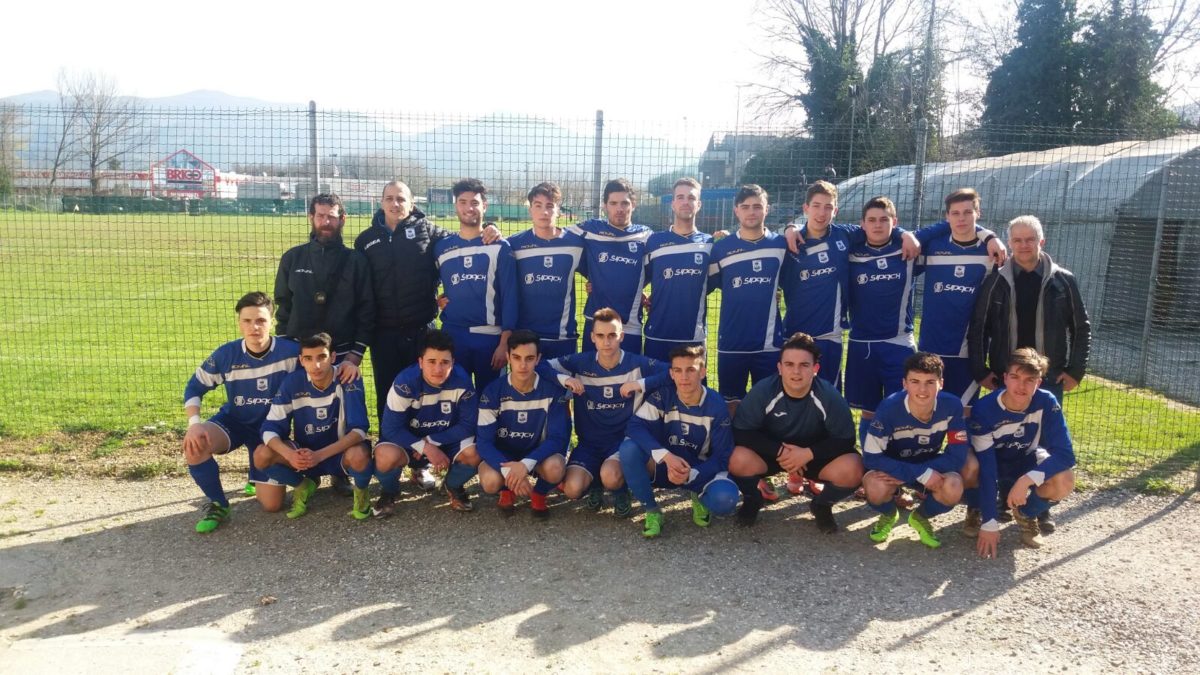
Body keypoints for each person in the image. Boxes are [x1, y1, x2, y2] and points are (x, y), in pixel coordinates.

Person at [354, 181, 502, 492]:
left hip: (422, 330)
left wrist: (490, 228)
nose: (395, 204)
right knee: (389, 397)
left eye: (401, 198)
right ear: (381, 202)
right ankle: (392, 465)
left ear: (412, 203)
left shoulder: (429, 232)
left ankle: (422, 465)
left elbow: (464, 238)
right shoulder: (365, 240)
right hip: (383, 334)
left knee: (429, 398)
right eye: (389, 198)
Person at [968, 215, 1090, 532]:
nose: (1024, 245)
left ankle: (1039, 507)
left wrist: (1075, 370)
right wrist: (981, 370)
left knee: (1045, 443)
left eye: (1030, 239)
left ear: (1041, 241)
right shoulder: (995, 281)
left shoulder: (1063, 280)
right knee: (1002, 441)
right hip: (1005, 376)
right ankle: (999, 501)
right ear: (1010, 243)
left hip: (1048, 376)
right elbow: (978, 328)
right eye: (1018, 240)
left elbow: (1081, 328)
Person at [274, 193, 374, 496]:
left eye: (331, 216)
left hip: (341, 353)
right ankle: (300, 468)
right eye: (320, 215)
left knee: (340, 415)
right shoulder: (293, 258)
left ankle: (339, 471)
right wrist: (286, 348)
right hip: (300, 354)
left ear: (342, 219)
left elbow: (367, 310)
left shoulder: (356, 261)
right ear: (311, 217)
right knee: (299, 411)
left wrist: (355, 355)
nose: (326, 222)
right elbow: (283, 307)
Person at [181, 292, 301, 533]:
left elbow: (320, 370)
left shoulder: (291, 352)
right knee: (195, 444)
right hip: (234, 422)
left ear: (271, 322)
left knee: (272, 506)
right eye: (247, 321)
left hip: (271, 432)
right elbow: (194, 387)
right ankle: (218, 504)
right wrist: (194, 424)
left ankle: (262, 474)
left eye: (261, 320)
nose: (254, 327)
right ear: (239, 323)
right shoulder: (226, 354)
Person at [539, 307, 669, 516]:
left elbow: (671, 372)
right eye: (600, 336)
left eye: (612, 335)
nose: (606, 342)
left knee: (611, 476)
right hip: (589, 444)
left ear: (621, 336)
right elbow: (540, 366)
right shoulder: (580, 363)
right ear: (592, 337)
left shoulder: (637, 364)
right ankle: (595, 484)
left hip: (621, 442)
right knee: (572, 489)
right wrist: (565, 379)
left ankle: (620, 490)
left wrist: (640, 384)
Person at [727, 333, 861, 532]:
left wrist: (808, 453)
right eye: (789, 364)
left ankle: (822, 505)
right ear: (780, 368)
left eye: (804, 365)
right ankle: (752, 499)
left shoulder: (828, 396)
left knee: (854, 467)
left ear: (815, 369)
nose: (796, 372)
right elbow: (741, 431)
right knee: (735, 458)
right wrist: (781, 451)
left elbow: (846, 439)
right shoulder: (764, 390)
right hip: (772, 455)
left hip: (812, 458)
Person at [619, 345, 740, 538]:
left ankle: (698, 494)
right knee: (628, 449)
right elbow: (634, 426)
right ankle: (652, 510)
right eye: (678, 370)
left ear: (702, 372)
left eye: (690, 370)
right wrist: (666, 456)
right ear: (671, 374)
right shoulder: (662, 396)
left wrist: (691, 474)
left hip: (699, 468)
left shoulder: (716, 405)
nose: (684, 377)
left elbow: (722, 456)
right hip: (666, 465)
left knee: (725, 499)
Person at [964, 348, 1076, 554]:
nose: (1021, 386)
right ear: (1005, 378)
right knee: (969, 465)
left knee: (1065, 479)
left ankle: (1025, 514)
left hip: (1025, 459)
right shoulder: (984, 409)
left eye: (1029, 380)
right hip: (991, 463)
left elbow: (1065, 455)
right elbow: (987, 469)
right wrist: (990, 522)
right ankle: (977, 508)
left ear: (1038, 383)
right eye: (1015, 377)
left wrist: (1026, 480)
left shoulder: (1046, 401)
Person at [256, 332, 375, 520]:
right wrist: (290, 455)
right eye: (309, 359)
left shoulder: (348, 378)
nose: (316, 365)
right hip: (305, 455)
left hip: (337, 454)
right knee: (261, 455)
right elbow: (269, 428)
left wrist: (319, 455)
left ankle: (361, 494)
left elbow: (359, 431)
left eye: (322, 357)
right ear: (301, 360)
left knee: (359, 454)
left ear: (333, 357)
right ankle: (302, 485)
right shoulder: (292, 382)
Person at [861, 352, 968, 549]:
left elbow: (957, 456)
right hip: (894, 469)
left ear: (941, 383)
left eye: (930, 382)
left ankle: (920, 517)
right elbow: (871, 457)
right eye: (915, 381)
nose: (922, 389)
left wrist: (922, 472)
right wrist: (918, 473)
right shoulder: (889, 407)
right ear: (905, 384)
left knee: (953, 486)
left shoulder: (952, 405)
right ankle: (889, 514)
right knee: (874, 486)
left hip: (929, 465)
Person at [374, 329, 482, 515]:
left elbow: (468, 425)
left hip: (445, 439)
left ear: (453, 362)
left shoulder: (463, 381)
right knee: (385, 456)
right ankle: (390, 491)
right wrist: (425, 447)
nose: (438, 369)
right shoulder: (404, 383)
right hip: (410, 441)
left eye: (445, 362)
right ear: (420, 362)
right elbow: (390, 428)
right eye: (431, 361)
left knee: (476, 452)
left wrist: (432, 441)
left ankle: (452, 485)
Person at [916, 189, 1004, 407]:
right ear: (947, 217)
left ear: (978, 213)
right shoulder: (933, 247)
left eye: (967, 212)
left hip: (968, 351)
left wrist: (988, 237)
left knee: (963, 413)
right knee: (928, 411)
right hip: (930, 347)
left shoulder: (991, 253)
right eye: (955, 213)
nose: (961, 218)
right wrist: (989, 234)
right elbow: (908, 240)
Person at [844, 196, 919, 445]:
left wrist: (987, 236)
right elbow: (824, 228)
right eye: (872, 220)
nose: (878, 225)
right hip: (862, 344)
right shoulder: (851, 251)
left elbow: (944, 229)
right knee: (869, 411)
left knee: (903, 407)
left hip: (898, 343)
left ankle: (901, 458)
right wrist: (791, 228)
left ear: (894, 222)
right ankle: (870, 460)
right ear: (862, 224)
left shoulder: (907, 249)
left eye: (884, 220)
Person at [708, 185, 787, 414]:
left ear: (767, 209)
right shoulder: (721, 249)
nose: (751, 212)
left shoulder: (781, 245)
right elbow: (705, 286)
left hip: (769, 342)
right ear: (736, 211)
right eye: (745, 207)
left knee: (771, 404)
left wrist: (792, 228)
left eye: (757, 206)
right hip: (732, 341)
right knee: (731, 404)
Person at [475, 330, 571, 519]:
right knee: (489, 481)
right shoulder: (493, 391)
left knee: (556, 468)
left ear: (538, 359)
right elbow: (484, 443)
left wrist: (525, 465)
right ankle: (507, 489)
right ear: (508, 357)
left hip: (537, 455)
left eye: (529, 358)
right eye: (517, 357)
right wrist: (510, 472)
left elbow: (557, 438)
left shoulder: (553, 390)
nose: (522, 365)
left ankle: (539, 493)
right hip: (505, 456)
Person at [434, 178, 518, 390]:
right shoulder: (442, 247)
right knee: (454, 399)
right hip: (453, 336)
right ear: (455, 205)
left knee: (490, 400)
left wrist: (504, 343)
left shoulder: (500, 246)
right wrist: (436, 300)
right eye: (463, 202)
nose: (468, 208)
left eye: (474, 202)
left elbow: (510, 297)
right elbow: (426, 281)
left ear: (484, 206)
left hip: (490, 339)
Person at [569, 178, 652, 354]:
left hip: (630, 327)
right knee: (591, 371)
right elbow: (555, 236)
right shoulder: (590, 230)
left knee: (630, 372)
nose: (619, 209)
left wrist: (640, 289)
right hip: (596, 325)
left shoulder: (646, 236)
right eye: (613, 203)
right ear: (605, 206)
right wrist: (592, 277)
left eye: (625, 203)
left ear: (633, 205)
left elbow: (655, 269)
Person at [508, 182, 586, 360]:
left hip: (563, 337)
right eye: (538, 206)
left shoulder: (576, 244)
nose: (544, 212)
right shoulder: (514, 244)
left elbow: (597, 274)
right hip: (525, 338)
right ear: (530, 209)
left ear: (558, 210)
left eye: (550, 206)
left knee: (563, 379)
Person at [642, 177, 715, 362]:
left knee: (694, 382)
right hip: (657, 335)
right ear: (673, 203)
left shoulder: (709, 244)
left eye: (691, 198)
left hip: (693, 337)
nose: (685, 202)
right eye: (680, 197)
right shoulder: (654, 241)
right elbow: (638, 278)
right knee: (655, 381)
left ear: (699, 204)